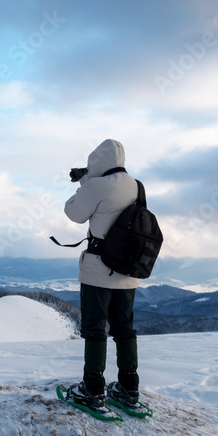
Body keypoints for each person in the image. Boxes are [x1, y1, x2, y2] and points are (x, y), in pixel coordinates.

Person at [63, 139, 141, 409]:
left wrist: (85, 182)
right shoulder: (136, 186)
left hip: (99, 270)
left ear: (96, 162)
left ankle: (92, 388)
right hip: (128, 270)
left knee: (95, 328)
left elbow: (74, 212)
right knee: (124, 328)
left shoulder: (97, 186)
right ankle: (129, 387)